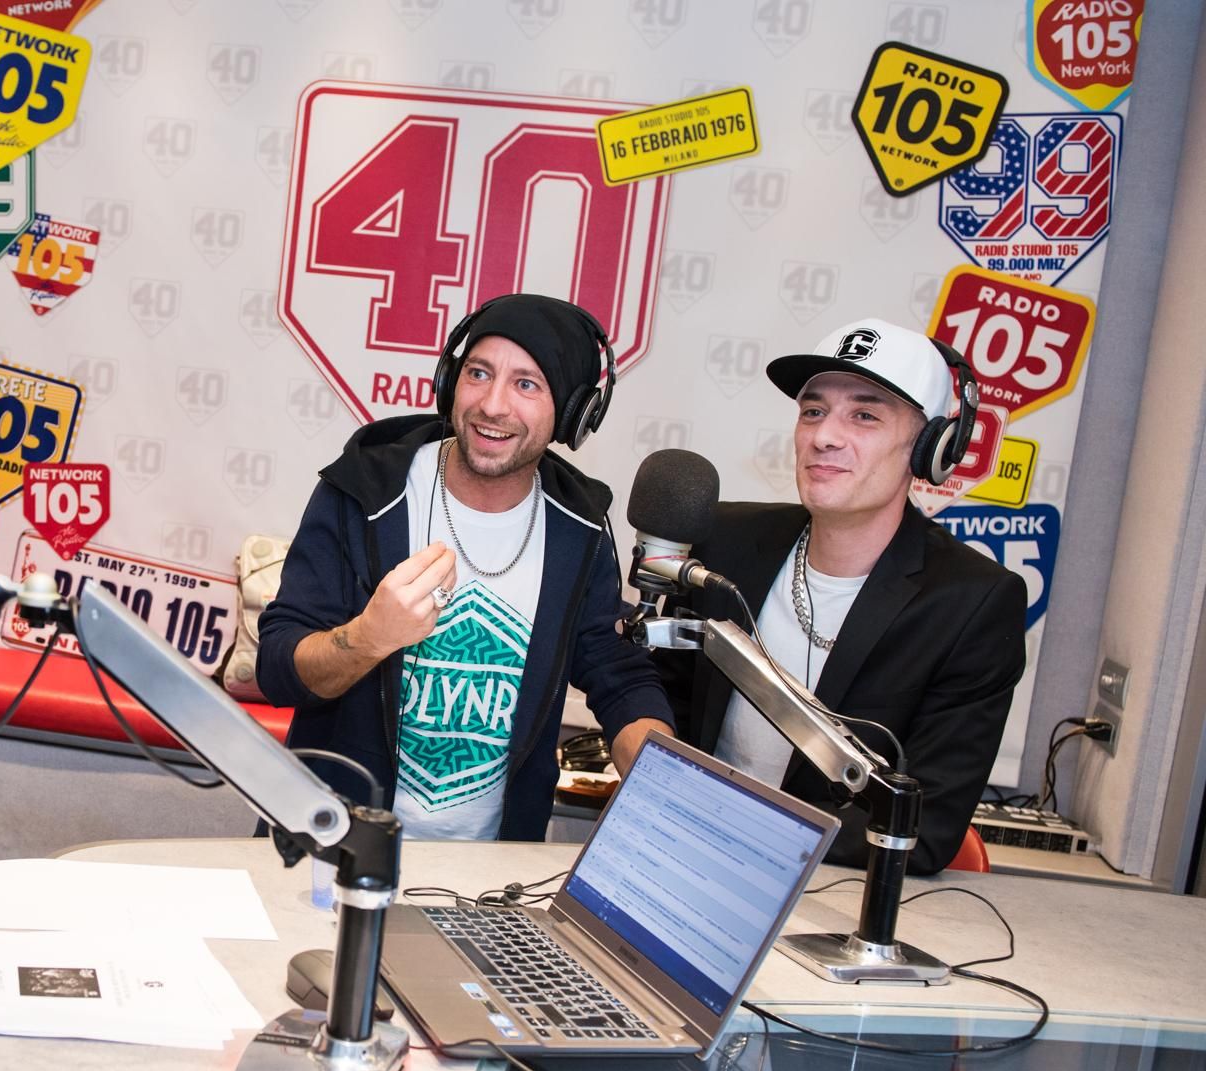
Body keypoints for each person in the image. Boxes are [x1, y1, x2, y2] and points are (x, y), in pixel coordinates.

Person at [257, 294, 675, 841]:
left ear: (574, 415)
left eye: (527, 384)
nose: (493, 405)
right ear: (450, 380)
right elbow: (279, 670)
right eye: (479, 373)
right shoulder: (365, 492)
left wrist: (666, 787)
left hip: (492, 872)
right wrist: (369, 637)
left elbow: (617, 675)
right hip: (333, 851)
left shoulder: (579, 529)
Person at [653, 317, 1028, 875]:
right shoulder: (723, 544)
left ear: (931, 448)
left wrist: (733, 830)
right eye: (813, 411)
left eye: (864, 415)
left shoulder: (971, 603)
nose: (824, 436)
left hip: (830, 893)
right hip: (678, 864)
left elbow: (924, 830)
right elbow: (666, 704)